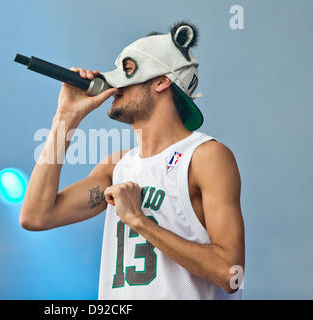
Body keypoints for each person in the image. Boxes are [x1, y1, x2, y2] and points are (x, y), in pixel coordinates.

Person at [19, 21, 245, 299]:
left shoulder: (205, 157)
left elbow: (231, 274)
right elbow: (35, 216)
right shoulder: (116, 167)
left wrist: (139, 221)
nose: (114, 82)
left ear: (162, 80)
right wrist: (65, 118)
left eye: (127, 69)